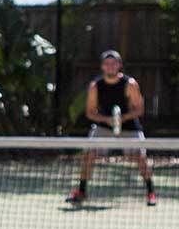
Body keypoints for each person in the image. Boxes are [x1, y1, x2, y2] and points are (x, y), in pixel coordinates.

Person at [64, 47, 156, 209]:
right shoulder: (95, 86)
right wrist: (107, 120)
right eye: (107, 64)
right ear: (102, 67)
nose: (110, 66)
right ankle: (81, 191)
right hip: (103, 127)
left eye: (113, 63)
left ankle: (151, 192)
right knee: (88, 155)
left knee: (141, 158)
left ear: (119, 65)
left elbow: (139, 109)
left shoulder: (130, 84)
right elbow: (90, 113)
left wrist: (121, 119)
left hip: (129, 127)